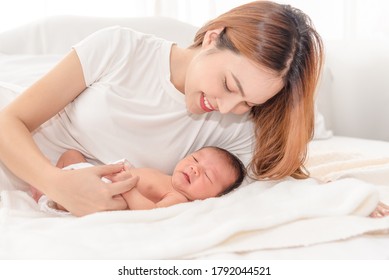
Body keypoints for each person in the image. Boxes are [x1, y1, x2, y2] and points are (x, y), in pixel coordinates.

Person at [0, 1, 324, 216]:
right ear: (213, 38)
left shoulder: (237, 131)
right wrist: (55, 183)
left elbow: (274, 191)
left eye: (248, 103)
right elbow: (10, 120)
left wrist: (343, 202)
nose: (227, 106)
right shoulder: (120, 49)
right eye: (228, 84)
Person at [30, 147, 246, 214]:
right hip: (96, 176)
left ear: (214, 197)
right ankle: (50, 182)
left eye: (207, 175)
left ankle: (47, 195)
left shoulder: (178, 198)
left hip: (105, 196)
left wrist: (129, 188)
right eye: (195, 159)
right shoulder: (165, 176)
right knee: (71, 154)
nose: (195, 169)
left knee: (72, 196)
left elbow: (150, 212)